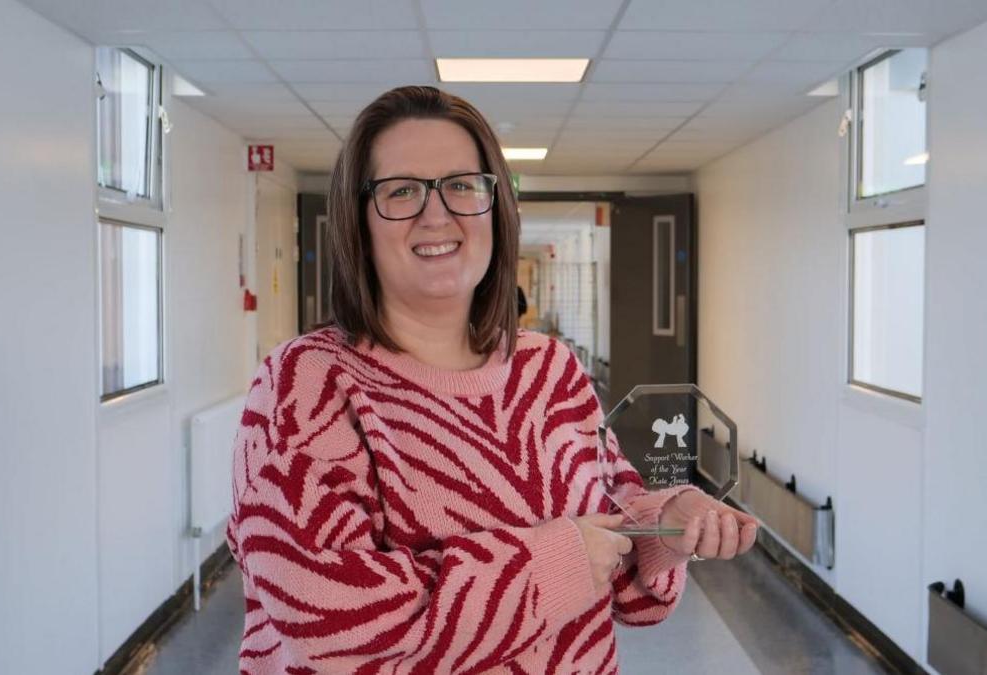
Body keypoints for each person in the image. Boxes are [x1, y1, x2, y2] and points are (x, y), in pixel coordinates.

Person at [227, 85, 760, 674]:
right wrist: (553, 565)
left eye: (462, 185)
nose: (438, 213)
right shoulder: (307, 383)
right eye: (401, 190)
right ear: (358, 220)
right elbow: (328, 623)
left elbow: (611, 516)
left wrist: (668, 522)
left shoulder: (551, 370)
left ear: (495, 205)